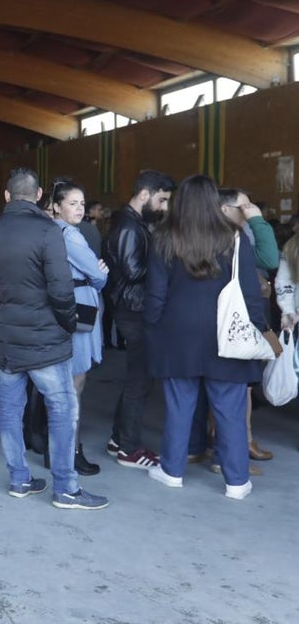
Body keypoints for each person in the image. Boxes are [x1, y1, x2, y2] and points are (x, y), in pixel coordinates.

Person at [0, 167, 107, 509]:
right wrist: (65, 323)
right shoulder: (49, 231)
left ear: (6, 196)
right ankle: (65, 488)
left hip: (6, 341)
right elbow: (62, 290)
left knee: (9, 410)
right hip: (46, 340)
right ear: (39, 195)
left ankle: (19, 479)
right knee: (62, 410)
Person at [145, 175, 274, 500]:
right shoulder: (234, 238)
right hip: (226, 336)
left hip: (178, 336)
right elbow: (249, 294)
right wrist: (258, 331)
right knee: (229, 410)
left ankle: (172, 472)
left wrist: (154, 329)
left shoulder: (164, 237)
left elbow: (155, 297)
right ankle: (237, 482)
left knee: (179, 406)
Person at [104, 169, 176, 469]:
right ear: (144, 194)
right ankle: (129, 449)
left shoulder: (135, 224)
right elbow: (133, 272)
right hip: (132, 311)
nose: (164, 207)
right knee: (139, 380)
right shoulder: (128, 227)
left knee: (139, 378)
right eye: (161, 200)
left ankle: (119, 439)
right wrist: (165, 266)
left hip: (133, 309)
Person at [50, 180, 109, 476]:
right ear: (57, 206)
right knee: (75, 383)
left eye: (82, 203)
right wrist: (100, 275)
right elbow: (98, 275)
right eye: (72, 203)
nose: (79, 208)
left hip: (69, 304)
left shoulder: (54, 231)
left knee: (66, 382)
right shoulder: (70, 235)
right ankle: (70, 451)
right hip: (79, 306)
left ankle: (61, 449)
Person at [218, 187, 280, 463]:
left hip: (231, 316)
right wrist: (257, 219)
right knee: (237, 384)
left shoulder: (232, 233)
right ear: (225, 210)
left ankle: (227, 444)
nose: (249, 209)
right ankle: (237, 446)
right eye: (243, 206)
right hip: (236, 317)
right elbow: (269, 259)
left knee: (232, 385)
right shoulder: (232, 237)